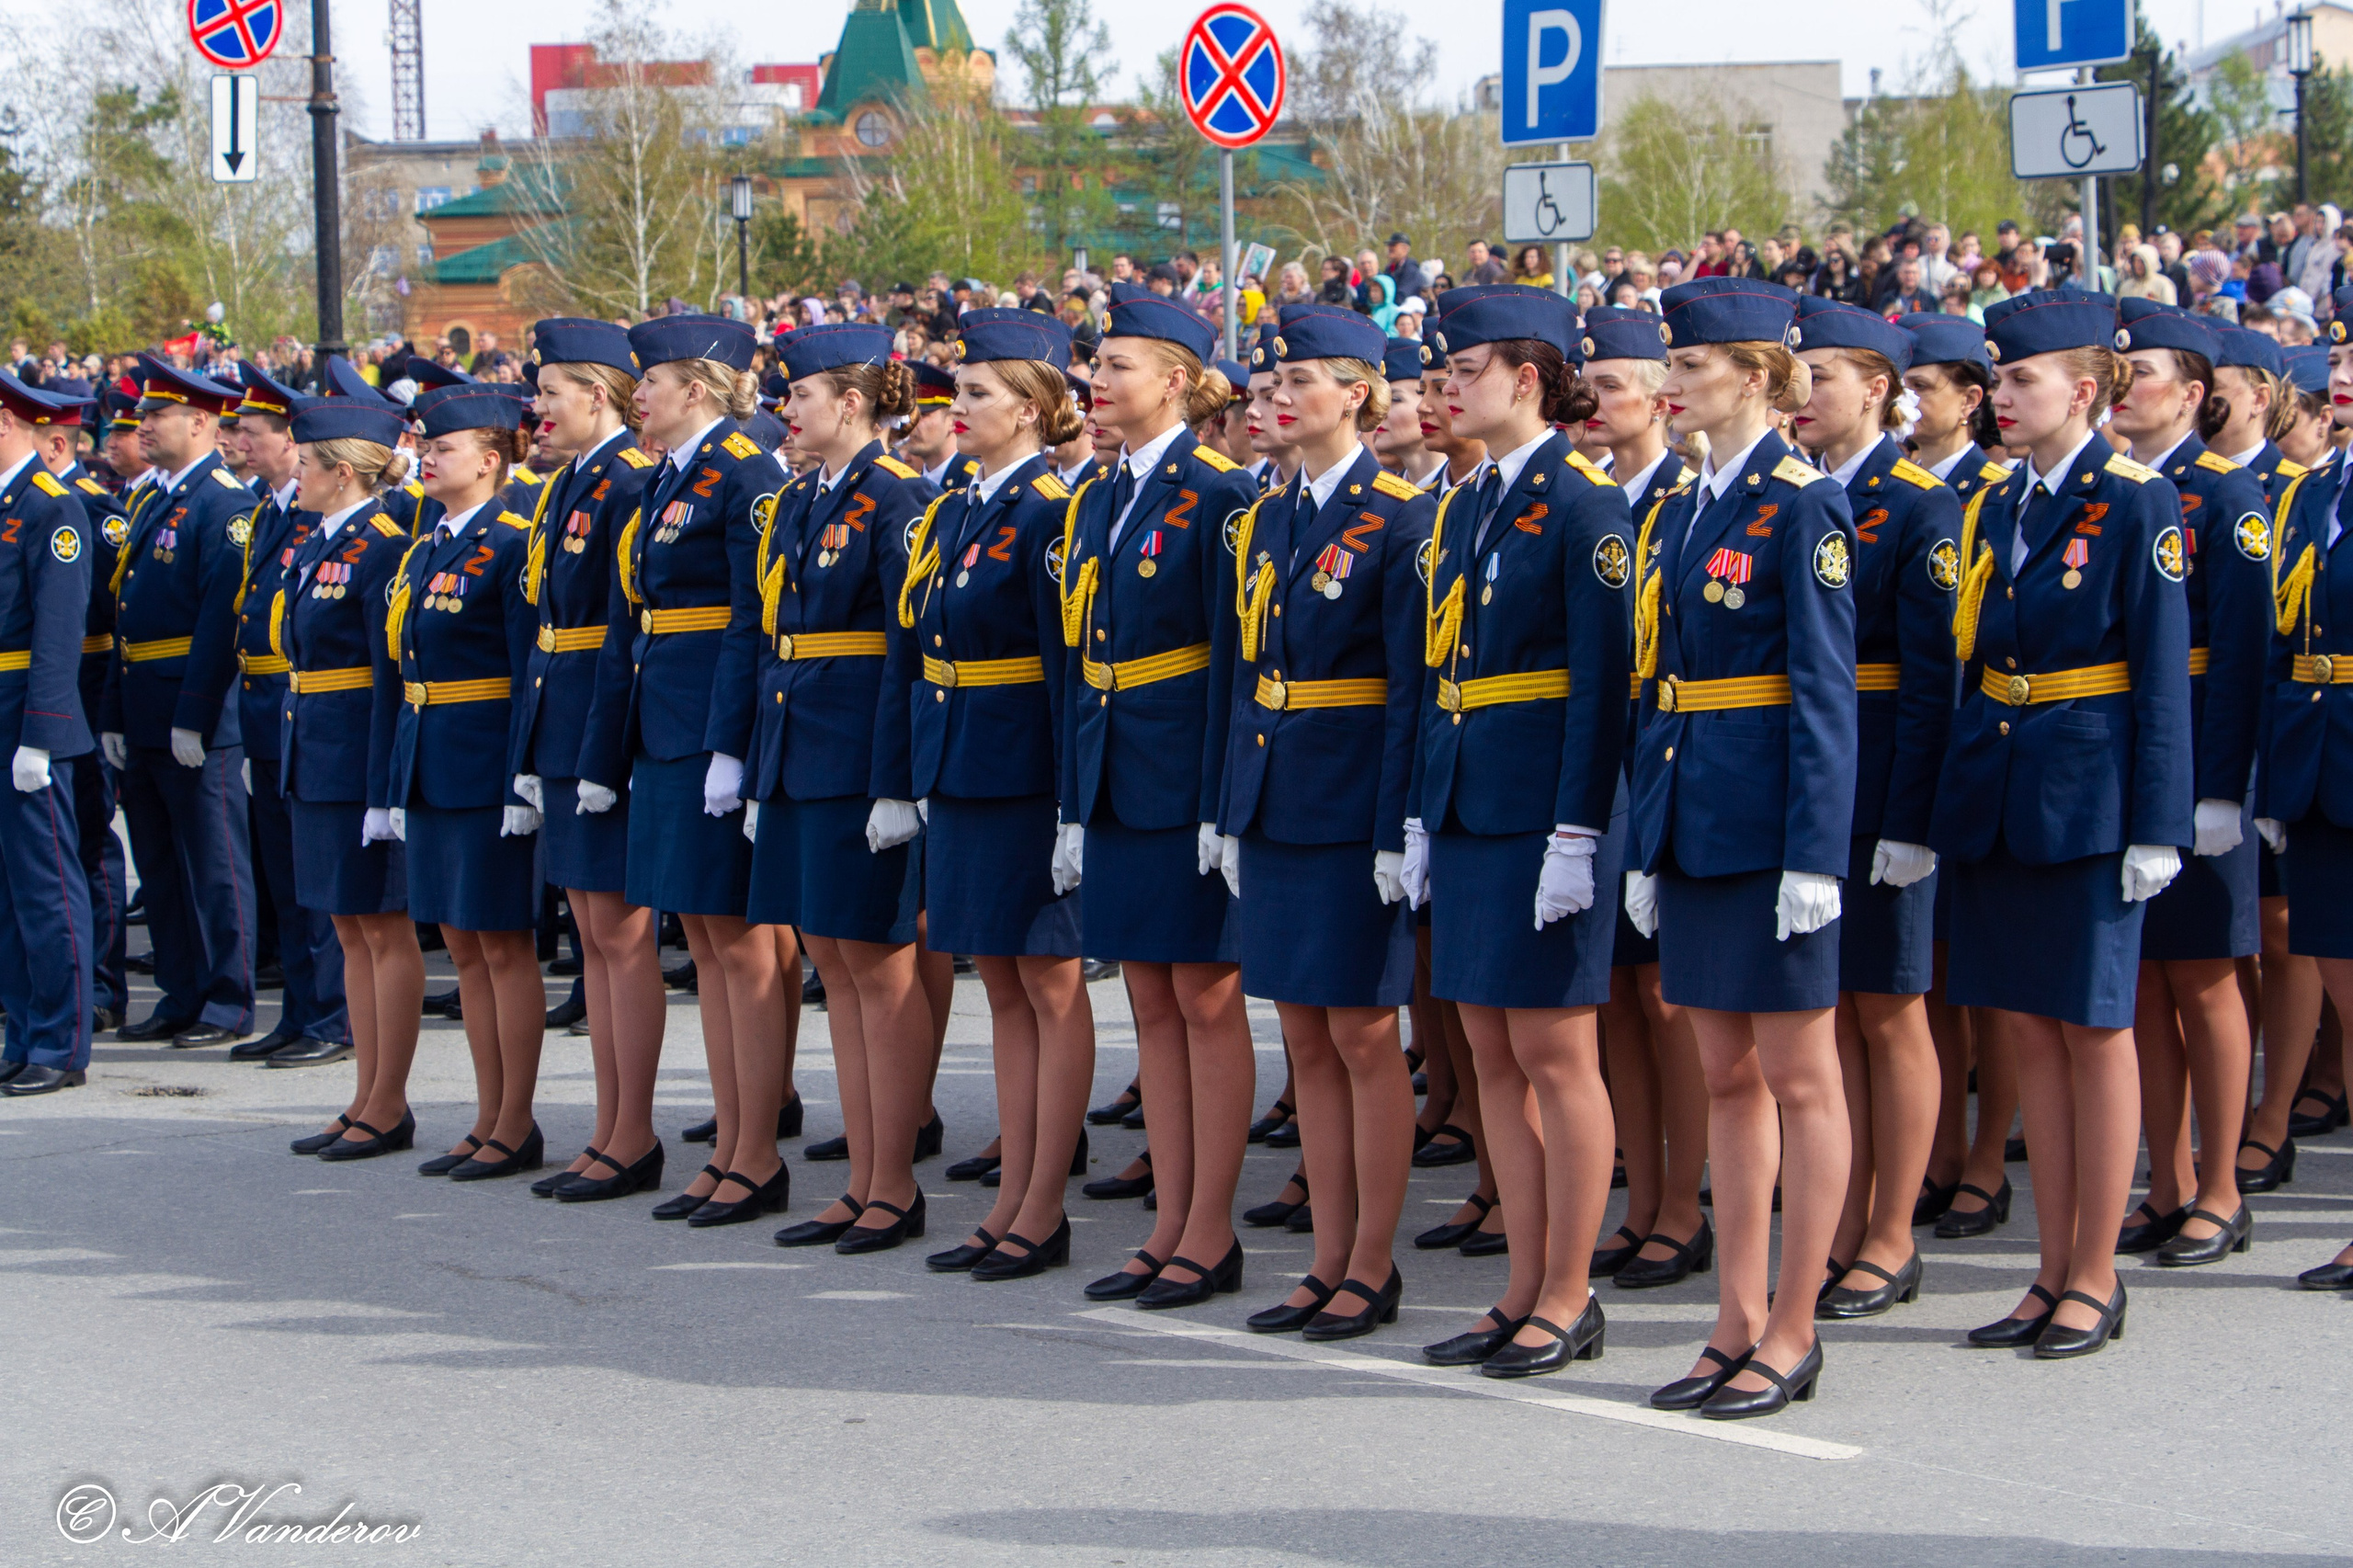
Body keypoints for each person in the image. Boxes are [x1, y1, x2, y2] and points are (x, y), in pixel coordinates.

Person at [1937, 289, 2192, 1356]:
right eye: (1995, 379)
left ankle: (2095, 1273)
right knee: (2030, 1037)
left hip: (2089, 795)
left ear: (2083, 390)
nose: (2000, 397)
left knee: (2094, 1031)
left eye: (2019, 380)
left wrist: (2157, 820)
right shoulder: (1999, 502)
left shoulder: (2134, 501)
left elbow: (2160, 668)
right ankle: (2047, 1269)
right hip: (2003, 789)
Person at [1630, 278, 1857, 1418]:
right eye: (1670, 363)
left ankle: (1794, 1322)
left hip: (1770, 826)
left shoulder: (1801, 503)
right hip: (1697, 816)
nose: (1672, 383)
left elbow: (1824, 694)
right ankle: (1732, 1314)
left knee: (1799, 1079)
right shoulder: (1683, 502)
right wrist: (1640, 834)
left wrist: (1815, 853)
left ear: (1760, 378)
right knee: (1725, 1074)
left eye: (1693, 364)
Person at [1405, 286, 1630, 1372]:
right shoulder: (1464, 502)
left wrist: (1578, 832)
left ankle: (1570, 1290)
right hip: (1467, 802)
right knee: (1492, 1048)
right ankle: (1521, 1283)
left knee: (1552, 1051)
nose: (1448, 386)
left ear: (1528, 378)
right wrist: (1417, 813)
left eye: (1466, 368)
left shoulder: (1584, 504)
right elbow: (1438, 671)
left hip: (1541, 810)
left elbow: (1601, 687)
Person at [1213, 304, 1433, 1335]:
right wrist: (1227, 805)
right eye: (1269, 383)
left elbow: (1408, 689)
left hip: (1353, 801)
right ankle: (1326, 1252)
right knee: (1302, 1036)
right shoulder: (1261, 517)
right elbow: (1239, 674)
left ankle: (1372, 1260)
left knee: (1360, 1031)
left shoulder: (1398, 517)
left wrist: (1398, 826)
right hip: (1276, 792)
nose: (1277, 399)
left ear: (1357, 394)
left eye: (1301, 380)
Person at [1054, 284, 1258, 1298]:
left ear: (1176, 382)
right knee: (1150, 1000)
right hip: (1116, 773)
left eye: (1117, 366)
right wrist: (1070, 797)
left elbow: (1231, 662)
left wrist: (1227, 804)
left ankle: (1209, 1229)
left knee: (1203, 999)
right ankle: (1170, 1218)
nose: (1096, 380)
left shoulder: (1220, 496)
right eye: (1097, 364)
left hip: (1186, 776)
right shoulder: (1097, 491)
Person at [892, 310, 1099, 1282]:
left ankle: (1043, 1204)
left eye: (976, 392)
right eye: (957, 390)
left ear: (1030, 408)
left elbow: (1067, 670)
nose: (957, 406)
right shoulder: (964, 505)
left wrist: (1071, 804)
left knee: (1047, 986)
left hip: (1024, 772)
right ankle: (1014, 1189)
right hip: (965, 765)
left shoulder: (1051, 511)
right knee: (1004, 987)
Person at [598, 315, 792, 1227]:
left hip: (710, 723)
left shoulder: (744, 471)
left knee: (740, 944)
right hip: (663, 718)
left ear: (701, 389)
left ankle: (756, 1150)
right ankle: (728, 1144)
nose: (638, 395)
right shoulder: (671, 475)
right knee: (708, 946)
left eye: (653, 381)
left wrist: (732, 742)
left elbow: (755, 618)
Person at [1786, 298, 1958, 1318]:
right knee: (1833, 1011)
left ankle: (1892, 1232)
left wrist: (1912, 816)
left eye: (1824, 376)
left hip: (1883, 775)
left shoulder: (1916, 500)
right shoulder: (1803, 494)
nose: (1804, 394)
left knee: (1891, 1010)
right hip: (1816, 783)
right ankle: (1843, 1217)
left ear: (1879, 389)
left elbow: (1933, 678)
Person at [2098, 301, 2271, 1263]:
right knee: (2144, 981)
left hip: (2202, 758)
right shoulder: (2119, 490)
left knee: (2204, 981)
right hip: (2131, 760)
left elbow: (2242, 654)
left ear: (2195, 395)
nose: (2126, 390)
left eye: (2145, 373)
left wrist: (2217, 790)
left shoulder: (2224, 496)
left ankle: (2220, 1183)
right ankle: (2162, 1179)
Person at [752, 322, 928, 1246]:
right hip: (800, 745)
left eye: (801, 396)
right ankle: (863, 1173)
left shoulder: (896, 496)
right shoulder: (802, 498)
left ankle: (893, 1180)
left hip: (859, 753)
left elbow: (908, 646)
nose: (787, 411)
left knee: (877, 969)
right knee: (833, 963)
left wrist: (897, 779)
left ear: (850, 403)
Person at [515, 320, 670, 1200]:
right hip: (562, 714)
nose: (536, 410)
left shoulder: (624, 481)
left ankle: (633, 1130)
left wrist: (606, 749)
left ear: (597, 396)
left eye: (549, 393)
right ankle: (610, 1125)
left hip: (600, 721)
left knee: (618, 935)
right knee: (589, 931)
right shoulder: (570, 482)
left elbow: (622, 627)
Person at [380, 383, 547, 1176]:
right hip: (433, 761)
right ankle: (486, 1115)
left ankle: (516, 1120)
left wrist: (522, 776)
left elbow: (525, 669)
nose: (426, 458)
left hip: (484, 764)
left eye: (442, 449)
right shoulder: (428, 544)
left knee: (504, 948)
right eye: (426, 446)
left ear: (489, 460)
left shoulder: (514, 539)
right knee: (464, 949)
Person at [1576, 304, 1710, 1290]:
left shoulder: (1684, 497)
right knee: (1616, 997)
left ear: (1663, 399)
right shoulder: (1587, 497)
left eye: (1611, 384)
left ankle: (1683, 1202)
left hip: (1661, 761)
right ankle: (1639, 1191)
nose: (1592, 400)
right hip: (1600, 760)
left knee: (1666, 999)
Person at [278, 381, 426, 1154]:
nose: (294, 475)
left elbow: (386, 675)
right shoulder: (321, 540)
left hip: (356, 755)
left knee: (382, 927)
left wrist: (381, 789)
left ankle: (389, 1101)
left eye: (306, 464)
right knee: (347, 926)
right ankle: (364, 1092)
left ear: (344, 472)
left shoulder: (382, 547)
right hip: (316, 749)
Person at [99, 357, 257, 1049]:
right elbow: (124, 615)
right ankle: (182, 989)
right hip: (142, 702)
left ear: (200, 423)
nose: (143, 426)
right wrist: (111, 712)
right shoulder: (151, 498)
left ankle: (227, 998)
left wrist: (194, 714)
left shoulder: (224, 504)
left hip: (196, 711)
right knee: (161, 862)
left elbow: (220, 624)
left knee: (214, 863)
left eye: (156, 415)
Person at [226, 363, 350, 1065]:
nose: (243, 442)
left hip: (303, 707)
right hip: (267, 709)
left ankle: (332, 1016)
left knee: (319, 884)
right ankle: (300, 1010)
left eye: (258, 432)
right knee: (284, 878)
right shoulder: (268, 512)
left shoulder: (322, 518)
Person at [2270, 291, 2353, 1290]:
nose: (2340, 375)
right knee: (2336, 969)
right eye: (2337, 359)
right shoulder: (2310, 491)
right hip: (2322, 759)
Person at [0, 374, 97, 1096]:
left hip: (26, 717)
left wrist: (42, 735)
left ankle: (60, 1043)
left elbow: (59, 632)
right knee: (7, 890)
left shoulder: (50, 508)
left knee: (47, 887)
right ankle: (24, 1029)